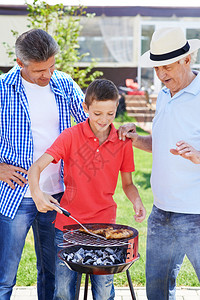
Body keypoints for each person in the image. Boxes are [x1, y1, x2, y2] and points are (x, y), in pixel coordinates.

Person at [28, 78, 146, 300]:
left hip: (106, 227)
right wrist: (37, 192)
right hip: (67, 228)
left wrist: (137, 201)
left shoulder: (122, 142)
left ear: (116, 108)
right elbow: (37, 167)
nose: (104, 120)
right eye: (97, 113)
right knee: (63, 291)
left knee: (103, 291)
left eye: (110, 114)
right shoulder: (70, 136)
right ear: (85, 108)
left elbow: (128, 184)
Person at [0, 29, 87, 300]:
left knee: (53, 273)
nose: (48, 75)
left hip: (57, 194)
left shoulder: (64, 83)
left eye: (52, 66)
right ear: (20, 63)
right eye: (40, 71)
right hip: (16, 195)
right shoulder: (3, 89)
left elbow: (90, 124)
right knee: (4, 276)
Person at [118, 27, 200, 300]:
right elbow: (161, 143)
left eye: (167, 67)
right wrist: (134, 138)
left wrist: (197, 155)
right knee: (157, 291)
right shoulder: (165, 94)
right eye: (157, 68)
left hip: (196, 215)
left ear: (187, 60)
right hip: (161, 213)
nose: (162, 75)